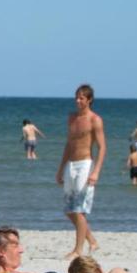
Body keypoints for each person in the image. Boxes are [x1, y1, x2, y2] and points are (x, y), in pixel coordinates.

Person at [57, 84, 106, 258]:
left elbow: (102, 147)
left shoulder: (95, 120)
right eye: (76, 97)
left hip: (85, 165)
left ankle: (78, 250)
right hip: (71, 165)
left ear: (89, 100)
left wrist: (96, 171)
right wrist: (61, 169)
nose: (78, 101)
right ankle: (92, 241)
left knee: (78, 210)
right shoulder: (72, 118)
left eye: (81, 98)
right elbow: (69, 145)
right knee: (69, 210)